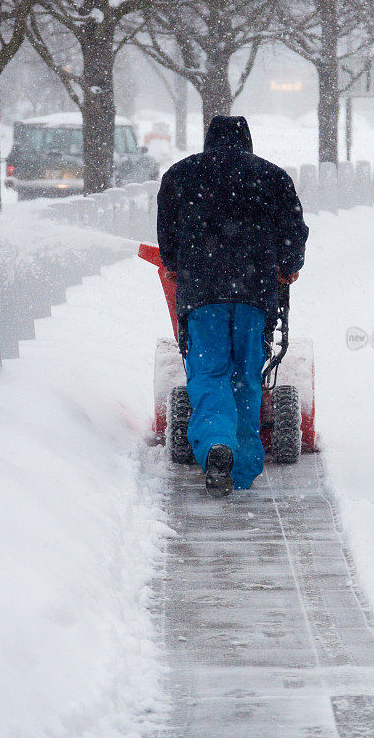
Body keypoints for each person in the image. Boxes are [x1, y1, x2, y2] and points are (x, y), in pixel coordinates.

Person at [157, 116, 308, 497]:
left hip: (202, 291)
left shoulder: (181, 175)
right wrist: (288, 268)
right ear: (248, 141)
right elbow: (294, 230)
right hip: (254, 292)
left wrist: (176, 265)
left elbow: (167, 231)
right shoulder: (272, 177)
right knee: (245, 374)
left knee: (208, 372)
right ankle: (240, 467)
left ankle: (215, 446)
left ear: (209, 141)